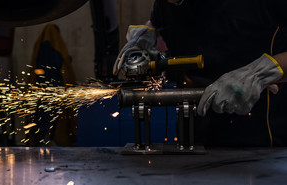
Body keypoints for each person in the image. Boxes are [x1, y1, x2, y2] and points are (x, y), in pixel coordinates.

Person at [114, 0, 287, 146]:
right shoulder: (167, 3)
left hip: (265, 145)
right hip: (197, 140)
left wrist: (259, 73)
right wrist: (147, 34)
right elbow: (159, 22)